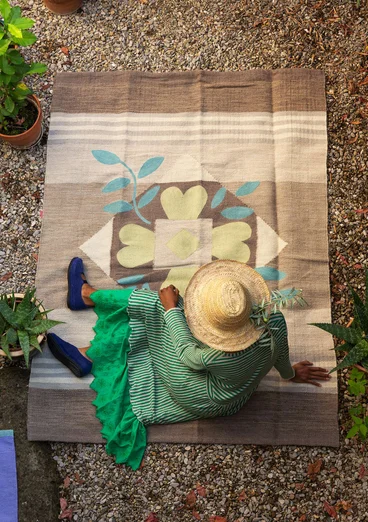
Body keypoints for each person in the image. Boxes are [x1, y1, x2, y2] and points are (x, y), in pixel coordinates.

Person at [47, 258, 331, 470]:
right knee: (166, 314)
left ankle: (86, 296)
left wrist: (172, 308)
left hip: (192, 389)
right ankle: (86, 354)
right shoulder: (275, 324)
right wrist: (291, 374)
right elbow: (280, 356)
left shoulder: (219, 354)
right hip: (229, 401)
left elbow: (187, 355)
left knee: (154, 304)